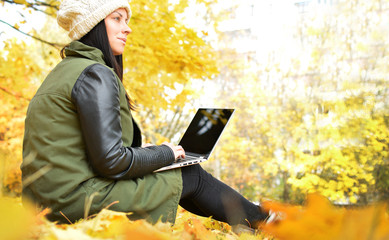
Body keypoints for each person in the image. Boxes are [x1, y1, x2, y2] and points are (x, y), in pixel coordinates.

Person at [21, 0, 269, 230]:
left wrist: (150, 155)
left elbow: (87, 153)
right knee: (189, 174)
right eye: (117, 19)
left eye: (126, 21)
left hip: (45, 203)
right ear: (93, 24)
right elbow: (111, 162)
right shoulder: (95, 73)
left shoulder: (62, 72)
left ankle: (255, 220)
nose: (127, 29)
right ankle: (264, 222)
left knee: (176, 174)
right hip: (75, 203)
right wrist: (164, 153)